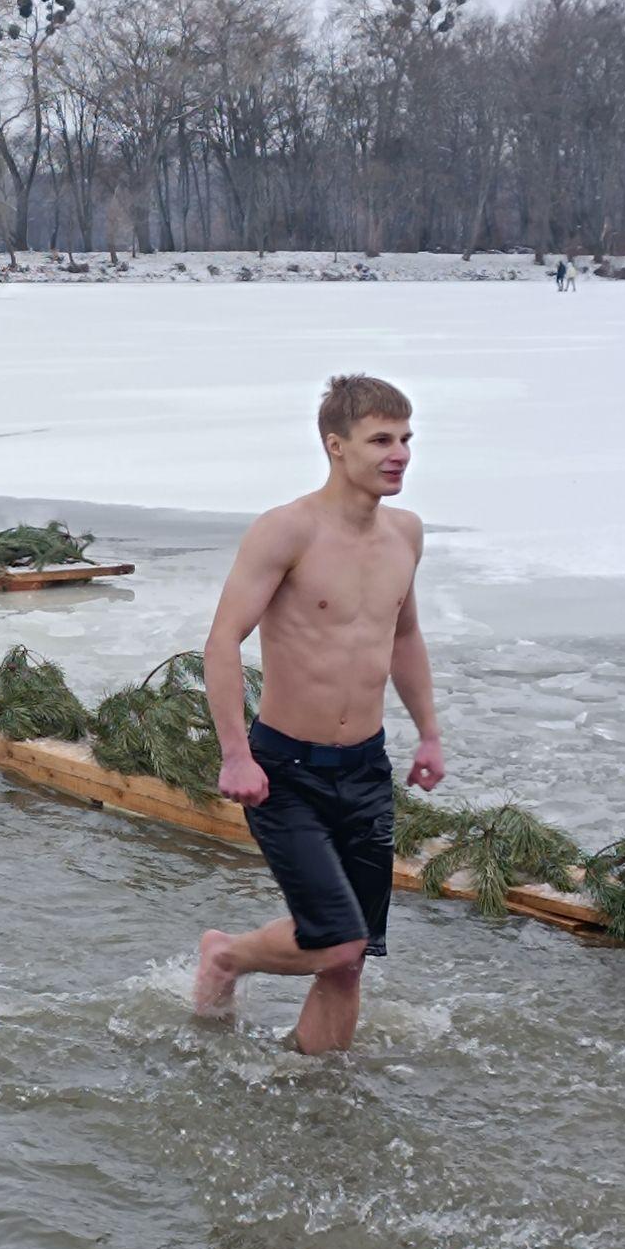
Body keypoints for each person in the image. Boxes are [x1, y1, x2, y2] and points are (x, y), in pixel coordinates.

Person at [191, 374, 445, 1054]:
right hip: (285, 771)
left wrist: (429, 734)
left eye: (406, 439)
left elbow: (405, 635)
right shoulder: (288, 530)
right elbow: (221, 642)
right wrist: (235, 753)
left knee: (351, 958)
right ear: (336, 446)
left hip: (365, 768)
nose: (399, 454)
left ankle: (316, 1096)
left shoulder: (406, 535)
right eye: (381, 440)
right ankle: (226, 956)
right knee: (337, 939)